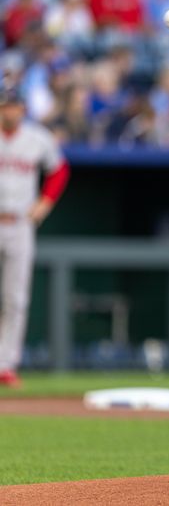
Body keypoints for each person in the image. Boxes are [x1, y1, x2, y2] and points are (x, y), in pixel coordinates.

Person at [0, 87, 70, 387]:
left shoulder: (37, 137)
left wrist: (46, 202)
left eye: (14, 106)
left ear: (23, 109)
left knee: (15, 298)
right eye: (5, 106)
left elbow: (59, 170)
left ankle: (5, 364)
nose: (10, 111)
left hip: (19, 223)